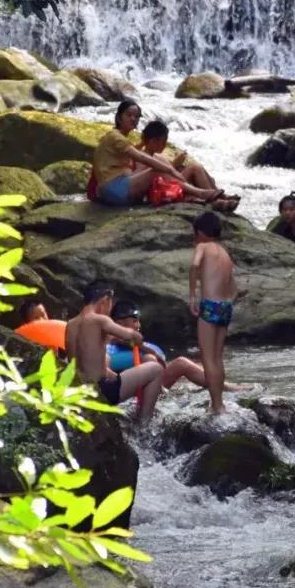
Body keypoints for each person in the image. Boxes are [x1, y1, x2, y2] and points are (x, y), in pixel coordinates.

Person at [91, 100, 229, 207]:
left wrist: (172, 167)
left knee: (192, 167)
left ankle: (216, 197)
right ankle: (203, 194)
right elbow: (141, 157)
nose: (133, 119)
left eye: (136, 117)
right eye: (129, 115)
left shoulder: (121, 138)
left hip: (117, 187)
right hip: (114, 189)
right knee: (158, 171)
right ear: (119, 117)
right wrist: (171, 169)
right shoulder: (115, 137)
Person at [65, 280, 164, 424]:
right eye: (110, 304)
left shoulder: (70, 324)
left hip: (79, 390)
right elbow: (132, 335)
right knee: (156, 369)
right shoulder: (100, 320)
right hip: (102, 391)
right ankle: (144, 424)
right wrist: (137, 339)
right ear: (105, 300)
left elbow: (82, 365)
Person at [189, 212, 245, 415]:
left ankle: (217, 405)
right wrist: (228, 302)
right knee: (218, 357)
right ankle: (220, 402)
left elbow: (195, 265)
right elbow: (234, 289)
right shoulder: (224, 253)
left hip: (210, 305)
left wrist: (193, 295)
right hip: (225, 307)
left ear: (201, 232)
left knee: (208, 358)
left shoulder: (203, 247)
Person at [107, 301, 208, 392]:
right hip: (122, 387)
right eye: (134, 321)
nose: (138, 325)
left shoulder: (143, 345)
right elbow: (121, 340)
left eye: (138, 321)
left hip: (151, 385)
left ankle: (219, 385)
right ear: (119, 323)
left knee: (182, 363)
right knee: (149, 358)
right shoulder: (107, 343)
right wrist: (149, 351)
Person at [139, 121, 239, 209]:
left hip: (170, 184)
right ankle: (215, 200)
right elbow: (155, 177)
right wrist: (175, 165)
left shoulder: (156, 156)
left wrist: (176, 164)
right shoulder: (141, 157)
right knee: (194, 167)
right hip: (160, 190)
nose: (165, 145)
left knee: (196, 167)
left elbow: (168, 172)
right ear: (153, 141)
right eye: (163, 142)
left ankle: (218, 194)